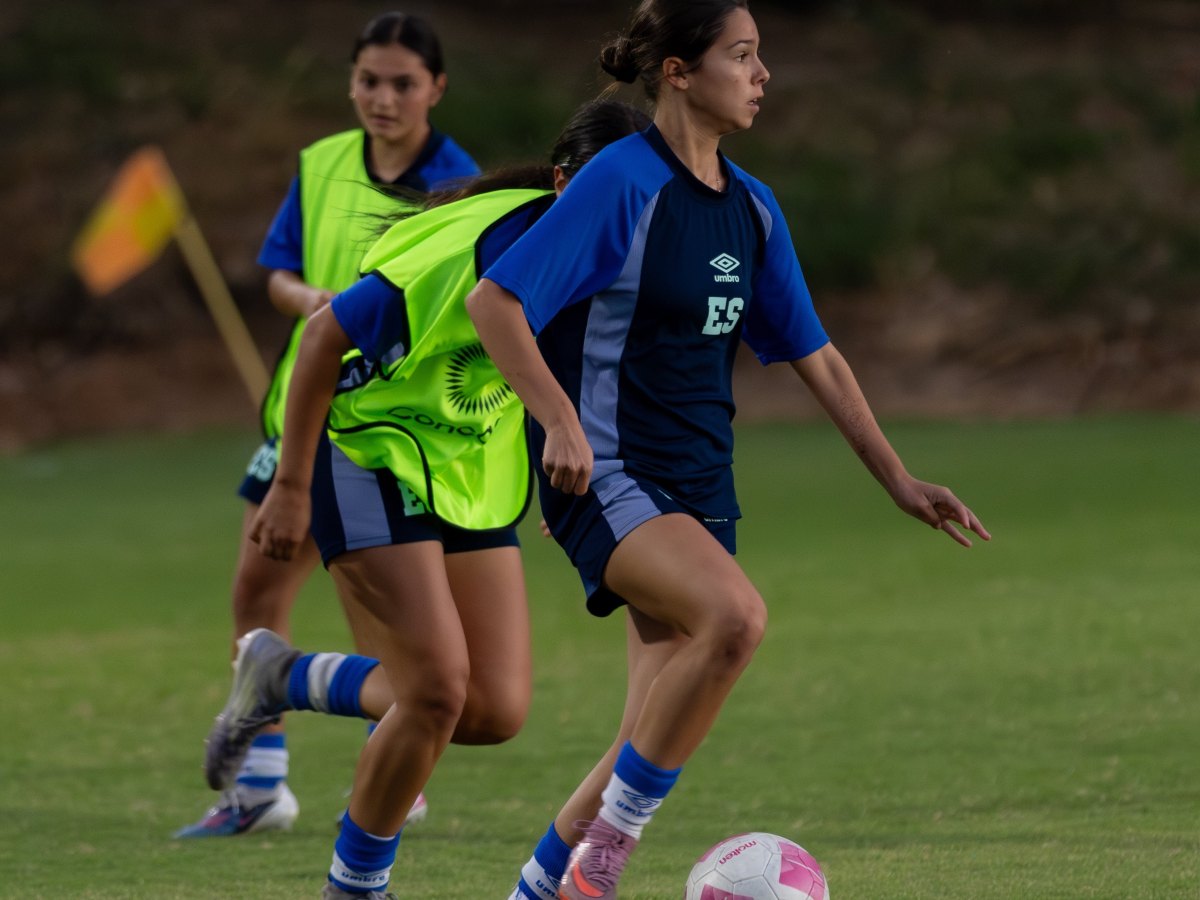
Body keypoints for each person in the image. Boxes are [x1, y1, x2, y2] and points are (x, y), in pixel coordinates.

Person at [464, 2, 993, 898]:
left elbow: (815, 355)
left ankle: (537, 890)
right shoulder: (622, 181)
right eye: (741, 55)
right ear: (676, 71)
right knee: (737, 620)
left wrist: (897, 478)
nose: (762, 74)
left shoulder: (752, 208)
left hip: (704, 488)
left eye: (760, 56)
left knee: (648, 729)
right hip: (611, 472)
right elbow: (496, 304)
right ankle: (601, 871)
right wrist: (556, 420)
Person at [200, 99, 653, 899]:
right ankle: (357, 886)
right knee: (437, 691)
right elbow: (319, 338)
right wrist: (292, 486)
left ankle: (283, 679)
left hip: (467, 470)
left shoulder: (617, 264)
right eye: (606, 192)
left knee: (493, 710)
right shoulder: (466, 247)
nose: (624, 212)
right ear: (562, 184)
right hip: (368, 449)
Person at [174, 12, 481, 839]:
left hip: (389, 428)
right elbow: (279, 271)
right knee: (258, 587)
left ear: (436, 90)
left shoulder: (458, 182)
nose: (383, 98)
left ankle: (396, 761)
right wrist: (311, 303)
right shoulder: (321, 164)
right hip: (300, 410)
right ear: (350, 83)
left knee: (382, 615)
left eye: (403, 83)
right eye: (369, 81)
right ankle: (261, 792)